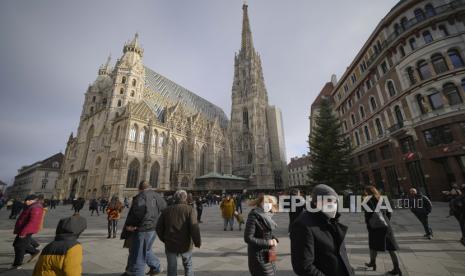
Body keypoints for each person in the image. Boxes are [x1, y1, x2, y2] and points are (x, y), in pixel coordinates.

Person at [290, 184, 354, 276]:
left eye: (335, 201)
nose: (333, 205)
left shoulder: (331, 220)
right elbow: (304, 266)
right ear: (316, 202)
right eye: (328, 200)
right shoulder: (303, 225)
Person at [123, 181, 167, 276]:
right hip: (153, 229)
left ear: (140, 189)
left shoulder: (141, 196)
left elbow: (137, 212)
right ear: (150, 187)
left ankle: (136, 272)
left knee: (138, 256)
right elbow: (164, 208)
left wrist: (132, 225)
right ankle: (157, 267)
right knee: (146, 250)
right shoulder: (158, 196)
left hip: (143, 229)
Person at [156, 190, 201, 276]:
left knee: (172, 267)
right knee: (188, 265)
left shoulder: (166, 210)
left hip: (170, 243)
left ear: (174, 198)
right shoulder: (190, 209)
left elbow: (158, 228)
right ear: (186, 198)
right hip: (186, 243)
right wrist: (197, 242)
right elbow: (194, 227)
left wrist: (164, 239)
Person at [364, 186, 401, 275]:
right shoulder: (382, 198)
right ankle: (396, 268)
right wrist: (385, 221)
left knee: (373, 245)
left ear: (368, 192)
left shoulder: (367, 200)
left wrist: (369, 225)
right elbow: (389, 212)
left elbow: (368, 215)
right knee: (391, 249)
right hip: (386, 225)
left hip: (375, 227)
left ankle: (372, 263)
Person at [244, 194, 279, 276]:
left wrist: (274, 239)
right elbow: (248, 238)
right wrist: (268, 242)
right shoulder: (254, 216)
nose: (268, 205)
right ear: (260, 203)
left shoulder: (266, 215)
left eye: (270, 203)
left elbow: (266, 234)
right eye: (265, 202)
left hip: (268, 254)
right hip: (258, 256)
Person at [12, 195, 44, 269]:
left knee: (19, 246)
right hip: (24, 229)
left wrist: (24, 232)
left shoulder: (36, 208)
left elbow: (33, 222)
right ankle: (34, 252)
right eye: (26, 200)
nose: (26, 202)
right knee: (17, 245)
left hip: (27, 230)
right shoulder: (31, 206)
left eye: (28, 200)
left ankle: (17, 264)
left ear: (34, 200)